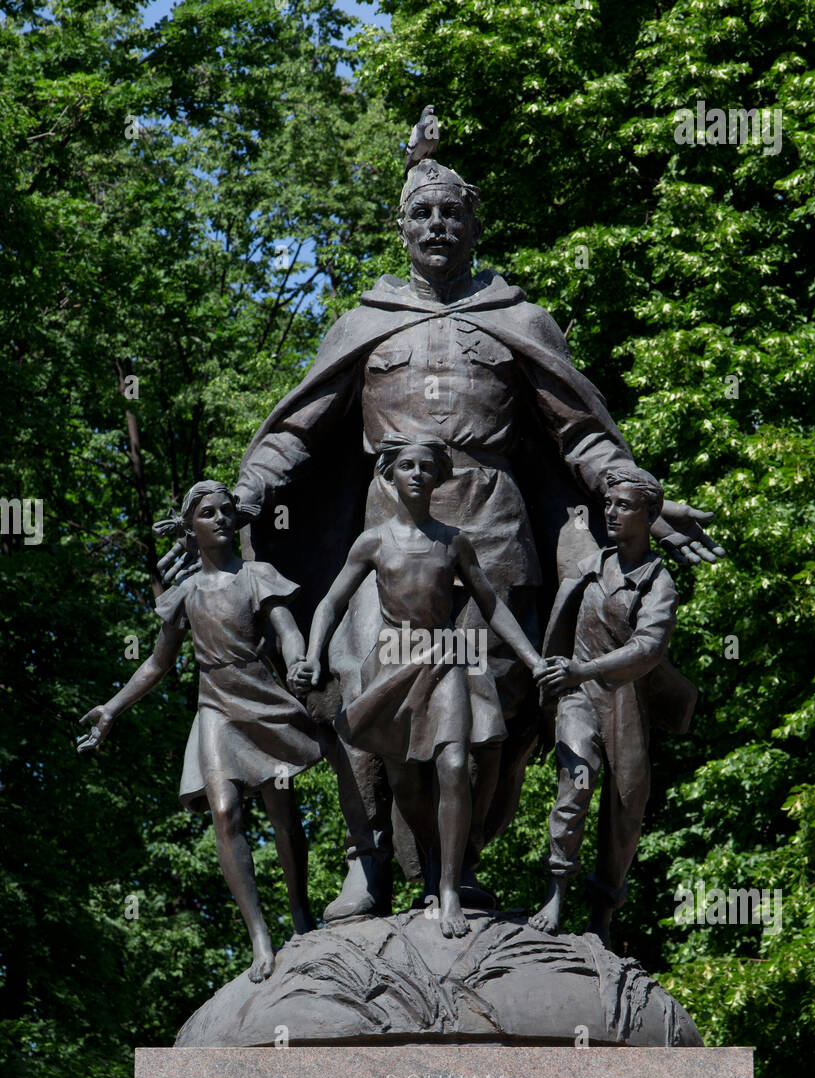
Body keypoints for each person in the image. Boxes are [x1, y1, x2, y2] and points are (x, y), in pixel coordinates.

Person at [160, 123, 723, 926]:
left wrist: (640, 495)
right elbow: (295, 432)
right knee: (362, 687)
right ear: (402, 227)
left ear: (474, 226)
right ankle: (367, 865)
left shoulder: (519, 320)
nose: (438, 229)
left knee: (486, 707)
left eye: (452, 216)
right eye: (423, 215)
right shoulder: (365, 323)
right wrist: (247, 494)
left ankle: (450, 874)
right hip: (383, 533)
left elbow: (581, 435)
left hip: (492, 533)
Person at [295, 437, 545, 939]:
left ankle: (450, 890)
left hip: (444, 656)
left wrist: (534, 660)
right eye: (405, 466)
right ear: (389, 474)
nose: (415, 474)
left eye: (425, 468)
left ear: (438, 478)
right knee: (406, 782)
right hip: (391, 664)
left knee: (454, 765)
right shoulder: (372, 542)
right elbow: (330, 603)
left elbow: (491, 605)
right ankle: (431, 865)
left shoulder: (453, 541)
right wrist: (311, 653)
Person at [77, 481, 321, 982]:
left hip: (264, 704)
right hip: (215, 709)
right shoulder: (183, 594)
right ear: (191, 527)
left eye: (228, 511)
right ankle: (259, 939)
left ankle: (300, 915)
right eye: (209, 513)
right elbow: (156, 664)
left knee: (284, 814)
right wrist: (111, 710)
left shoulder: (257, 575)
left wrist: (298, 662)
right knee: (225, 811)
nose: (221, 519)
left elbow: (289, 631)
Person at [530, 465, 696, 947]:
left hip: (626, 701)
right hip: (579, 699)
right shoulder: (588, 569)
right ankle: (555, 894)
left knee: (626, 808)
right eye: (609, 504)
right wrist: (553, 693)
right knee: (576, 782)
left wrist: (584, 669)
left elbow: (648, 649)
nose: (612, 513)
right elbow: (556, 636)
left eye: (623, 506)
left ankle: (602, 914)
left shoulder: (658, 582)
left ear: (649, 515)